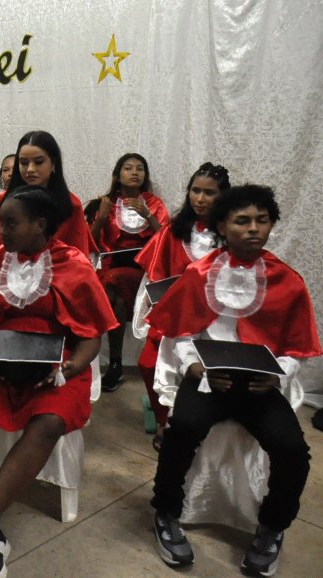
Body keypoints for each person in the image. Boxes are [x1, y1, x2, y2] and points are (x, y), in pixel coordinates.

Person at [147, 185, 319, 575]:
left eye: (262, 220)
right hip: (209, 378)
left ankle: (273, 527)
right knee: (181, 429)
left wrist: (278, 376)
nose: (254, 229)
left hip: (259, 386)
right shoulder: (199, 273)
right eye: (242, 221)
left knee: (293, 450)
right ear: (223, 226)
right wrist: (194, 367)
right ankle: (165, 513)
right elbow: (181, 334)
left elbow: (295, 347)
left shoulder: (287, 281)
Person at [0, 186, 118, 578]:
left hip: (57, 365)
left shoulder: (74, 264)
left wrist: (69, 369)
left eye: (10, 223)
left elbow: (91, 336)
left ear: (40, 225)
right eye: (0, 222)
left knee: (50, 421)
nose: (1, 230)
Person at [133, 163, 230, 450]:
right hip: (175, 316)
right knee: (148, 363)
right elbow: (155, 276)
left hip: (218, 320)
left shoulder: (229, 235)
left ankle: (200, 421)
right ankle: (166, 420)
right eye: (195, 191)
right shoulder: (173, 231)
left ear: (223, 196)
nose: (200, 199)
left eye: (209, 193)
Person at [90, 153, 169, 392]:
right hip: (111, 266)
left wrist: (147, 214)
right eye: (128, 168)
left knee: (114, 285)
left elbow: (167, 242)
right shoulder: (106, 203)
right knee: (116, 301)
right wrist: (101, 217)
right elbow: (90, 244)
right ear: (117, 175)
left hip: (144, 269)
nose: (134, 172)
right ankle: (114, 364)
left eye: (139, 168)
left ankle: (114, 364)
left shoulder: (154, 203)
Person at [0, 132, 98, 258]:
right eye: (23, 163)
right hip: (9, 272)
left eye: (38, 162)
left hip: (59, 274)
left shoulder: (70, 204)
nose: (30, 169)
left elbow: (78, 257)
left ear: (53, 163)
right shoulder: (5, 202)